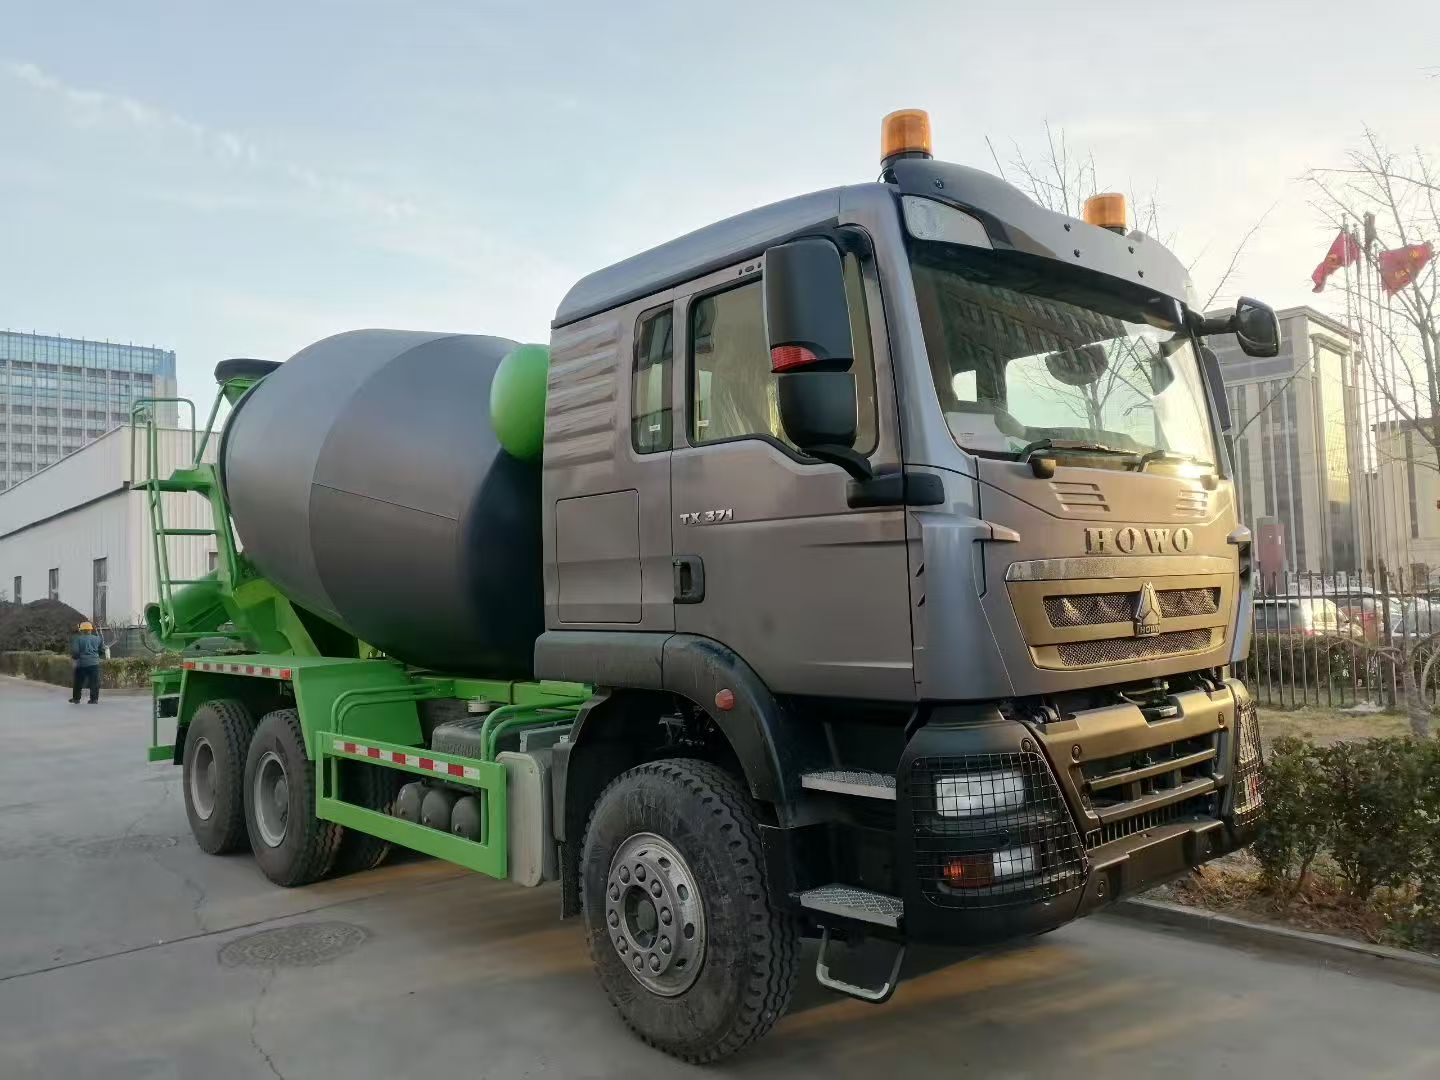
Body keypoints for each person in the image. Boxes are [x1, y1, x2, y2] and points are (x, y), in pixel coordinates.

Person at [69, 621, 103, 704]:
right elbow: (101, 651)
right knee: (94, 682)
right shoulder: (98, 639)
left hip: (81, 664)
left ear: (81, 630)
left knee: (78, 682)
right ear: (91, 630)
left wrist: (75, 658)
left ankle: (76, 699)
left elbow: (75, 652)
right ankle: (94, 699)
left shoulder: (78, 639)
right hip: (94, 663)